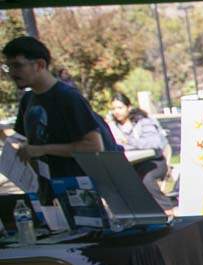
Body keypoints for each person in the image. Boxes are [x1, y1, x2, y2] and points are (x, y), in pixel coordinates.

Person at [4, 36, 119, 181]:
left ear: (40, 64)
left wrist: (43, 150)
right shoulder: (27, 100)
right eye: (8, 67)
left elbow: (94, 146)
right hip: (45, 188)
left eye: (18, 66)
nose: (12, 73)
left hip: (77, 189)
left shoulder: (68, 97)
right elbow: (26, 141)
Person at [107, 93, 174, 213]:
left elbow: (154, 142)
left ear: (128, 107)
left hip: (154, 161)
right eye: (113, 108)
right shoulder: (112, 125)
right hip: (131, 163)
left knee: (147, 179)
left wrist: (129, 141)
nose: (117, 112)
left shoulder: (143, 121)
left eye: (120, 108)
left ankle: (167, 210)